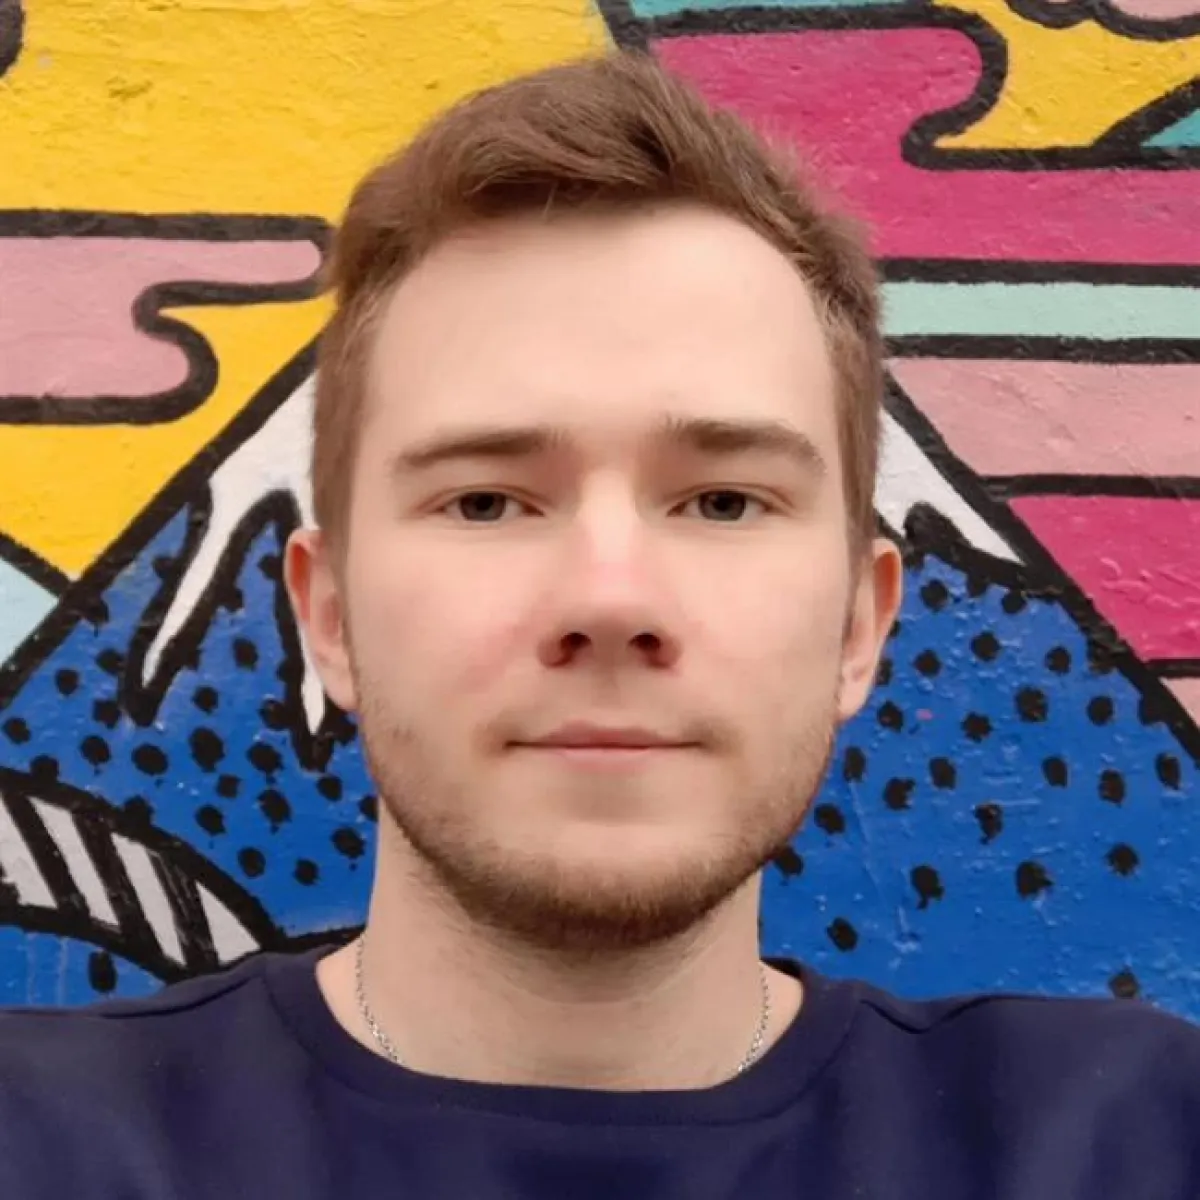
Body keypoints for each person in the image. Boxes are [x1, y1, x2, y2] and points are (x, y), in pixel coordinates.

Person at [0, 49, 1196, 1200]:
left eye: (723, 501)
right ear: (328, 619)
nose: (610, 599)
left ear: (858, 625)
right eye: (486, 500)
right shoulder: (43, 1141)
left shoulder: (1127, 1140)